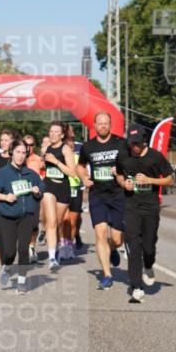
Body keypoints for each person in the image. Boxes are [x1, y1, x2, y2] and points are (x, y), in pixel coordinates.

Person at [117, 124, 174, 303]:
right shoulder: (123, 155)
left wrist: (150, 180)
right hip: (130, 206)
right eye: (131, 143)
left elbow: (170, 180)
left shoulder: (155, 157)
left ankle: (149, 265)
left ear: (144, 141)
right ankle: (136, 286)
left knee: (148, 246)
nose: (134, 147)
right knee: (134, 246)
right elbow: (118, 174)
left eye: (137, 144)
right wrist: (122, 183)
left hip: (150, 207)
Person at [78, 112, 128, 290]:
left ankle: (112, 249)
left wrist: (122, 169)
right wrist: (84, 178)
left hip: (118, 195)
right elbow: (80, 165)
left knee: (117, 239)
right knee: (100, 234)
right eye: (100, 124)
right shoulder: (88, 147)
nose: (103, 126)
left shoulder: (121, 143)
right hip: (97, 196)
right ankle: (107, 274)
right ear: (94, 125)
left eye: (106, 123)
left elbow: (131, 162)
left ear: (110, 124)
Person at [0, 139, 45, 293]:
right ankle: (6, 267)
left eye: (23, 153)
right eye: (18, 152)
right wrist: (6, 197)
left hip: (26, 216)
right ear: (12, 153)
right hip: (7, 216)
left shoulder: (31, 174)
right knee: (9, 251)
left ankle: (21, 281)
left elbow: (41, 190)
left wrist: (37, 191)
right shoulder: (3, 173)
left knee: (24, 249)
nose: (20, 156)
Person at [40, 121, 78, 271]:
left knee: (58, 223)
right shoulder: (45, 148)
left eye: (56, 132)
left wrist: (55, 161)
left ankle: (54, 248)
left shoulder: (66, 149)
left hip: (63, 188)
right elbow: (42, 166)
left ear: (62, 135)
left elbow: (72, 172)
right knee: (51, 222)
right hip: (49, 186)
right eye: (51, 132)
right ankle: (52, 259)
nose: (53, 134)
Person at [65, 128, 85, 251]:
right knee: (64, 218)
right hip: (63, 186)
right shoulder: (60, 147)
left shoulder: (80, 147)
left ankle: (73, 237)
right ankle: (64, 244)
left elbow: (86, 164)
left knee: (74, 218)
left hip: (78, 186)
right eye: (68, 137)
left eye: (72, 136)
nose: (71, 137)